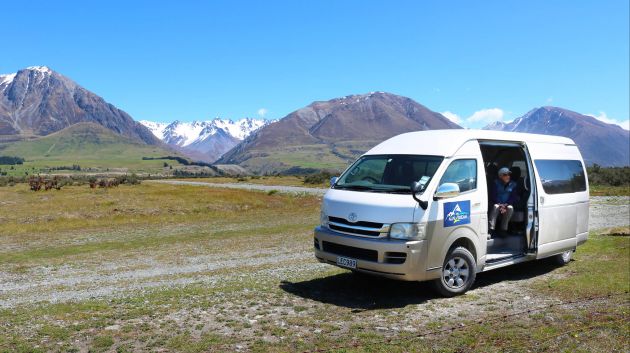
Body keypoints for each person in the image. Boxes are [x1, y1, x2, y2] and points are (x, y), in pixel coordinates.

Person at [489, 167, 519, 235]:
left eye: (509, 174)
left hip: (507, 204)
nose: (508, 176)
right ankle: (491, 229)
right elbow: (493, 196)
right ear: (500, 176)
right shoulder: (495, 183)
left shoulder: (513, 184)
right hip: (498, 203)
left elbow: (513, 197)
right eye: (505, 175)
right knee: (495, 206)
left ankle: (503, 230)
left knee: (510, 208)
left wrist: (506, 205)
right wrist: (500, 205)